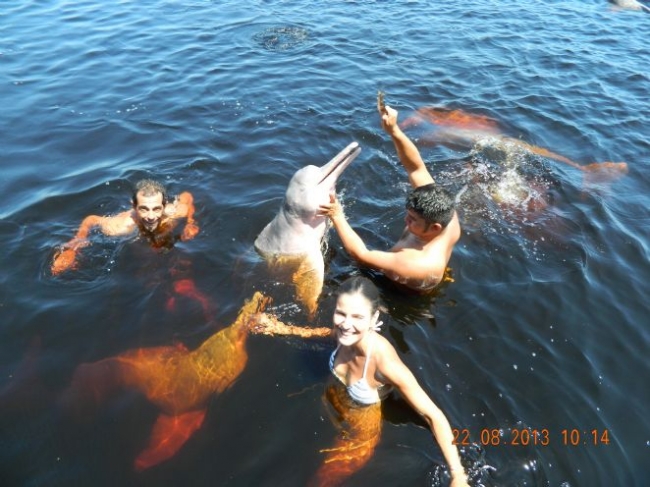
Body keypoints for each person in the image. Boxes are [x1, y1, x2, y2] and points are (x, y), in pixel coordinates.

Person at [253, 276, 470, 486]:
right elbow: (327, 333)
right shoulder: (342, 334)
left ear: (374, 318)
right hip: (330, 409)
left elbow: (434, 416)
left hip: (356, 440)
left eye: (358, 317)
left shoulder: (384, 364)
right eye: (341, 314)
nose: (347, 324)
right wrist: (283, 328)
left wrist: (457, 475)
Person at [318, 104, 461, 293]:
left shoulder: (415, 263)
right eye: (408, 214)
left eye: (413, 220)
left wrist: (337, 215)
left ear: (435, 227)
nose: (405, 220)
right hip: (406, 264)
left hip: (404, 289)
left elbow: (360, 255)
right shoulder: (443, 212)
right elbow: (416, 168)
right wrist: (394, 130)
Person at [51, 179, 199, 275]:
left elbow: (187, 196)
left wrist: (191, 222)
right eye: (143, 209)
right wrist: (78, 239)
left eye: (156, 209)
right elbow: (92, 219)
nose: (151, 216)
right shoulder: (121, 226)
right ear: (133, 206)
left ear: (164, 204)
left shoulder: (174, 212)